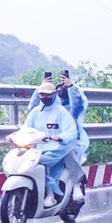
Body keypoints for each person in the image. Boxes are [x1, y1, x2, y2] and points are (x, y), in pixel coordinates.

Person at [24, 77, 79, 205]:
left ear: (54, 95)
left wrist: (59, 137)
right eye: (42, 94)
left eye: (48, 94)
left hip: (58, 148)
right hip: (38, 149)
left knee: (44, 163)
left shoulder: (61, 111)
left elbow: (71, 131)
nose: (44, 97)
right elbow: (27, 127)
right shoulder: (35, 112)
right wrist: (14, 136)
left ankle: (51, 194)